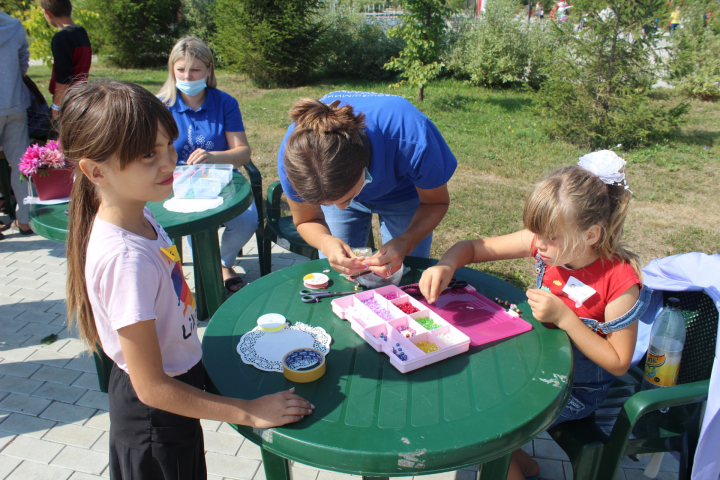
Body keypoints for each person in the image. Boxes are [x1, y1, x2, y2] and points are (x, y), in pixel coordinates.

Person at [62, 80, 313, 479]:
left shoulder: (141, 216)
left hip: (174, 406)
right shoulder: (126, 259)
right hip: (154, 423)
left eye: (168, 146)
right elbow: (152, 387)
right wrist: (248, 411)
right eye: (148, 155)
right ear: (96, 171)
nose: (168, 163)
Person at [419, 151, 651, 480]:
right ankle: (524, 467)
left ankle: (510, 468)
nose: (537, 245)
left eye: (548, 238)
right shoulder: (550, 241)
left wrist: (566, 318)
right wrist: (446, 264)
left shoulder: (620, 281)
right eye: (536, 234)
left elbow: (618, 362)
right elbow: (470, 248)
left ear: (590, 235)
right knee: (468, 389)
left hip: (576, 387)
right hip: (537, 361)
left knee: (490, 424)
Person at [277, 92, 457, 278]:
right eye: (328, 203)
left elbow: (435, 202)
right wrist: (325, 242)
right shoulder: (295, 161)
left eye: (347, 198)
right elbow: (306, 220)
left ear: (366, 169)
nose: (341, 208)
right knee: (339, 271)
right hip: (342, 182)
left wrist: (406, 241)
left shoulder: (411, 136)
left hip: (404, 192)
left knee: (407, 272)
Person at [158, 37, 256, 292]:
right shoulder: (160, 106)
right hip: (177, 183)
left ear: (209, 69)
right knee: (194, 224)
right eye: (181, 70)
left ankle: (221, 262)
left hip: (222, 179)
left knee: (248, 220)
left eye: (195, 70)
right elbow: (150, 153)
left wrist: (214, 157)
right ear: (172, 70)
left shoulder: (225, 103)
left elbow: (243, 153)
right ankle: (211, 270)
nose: (188, 77)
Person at [0, 11, 32, 237]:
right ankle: (26, 220)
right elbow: (23, 61)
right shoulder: (13, 25)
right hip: (15, 102)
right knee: (22, 164)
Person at [39, 0, 92, 120]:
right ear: (70, 8)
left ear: (48, 13)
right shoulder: (81, 32)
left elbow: (64, 76)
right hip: (81, 97)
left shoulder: (61, 38)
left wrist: (56, 107)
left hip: (67, 103)